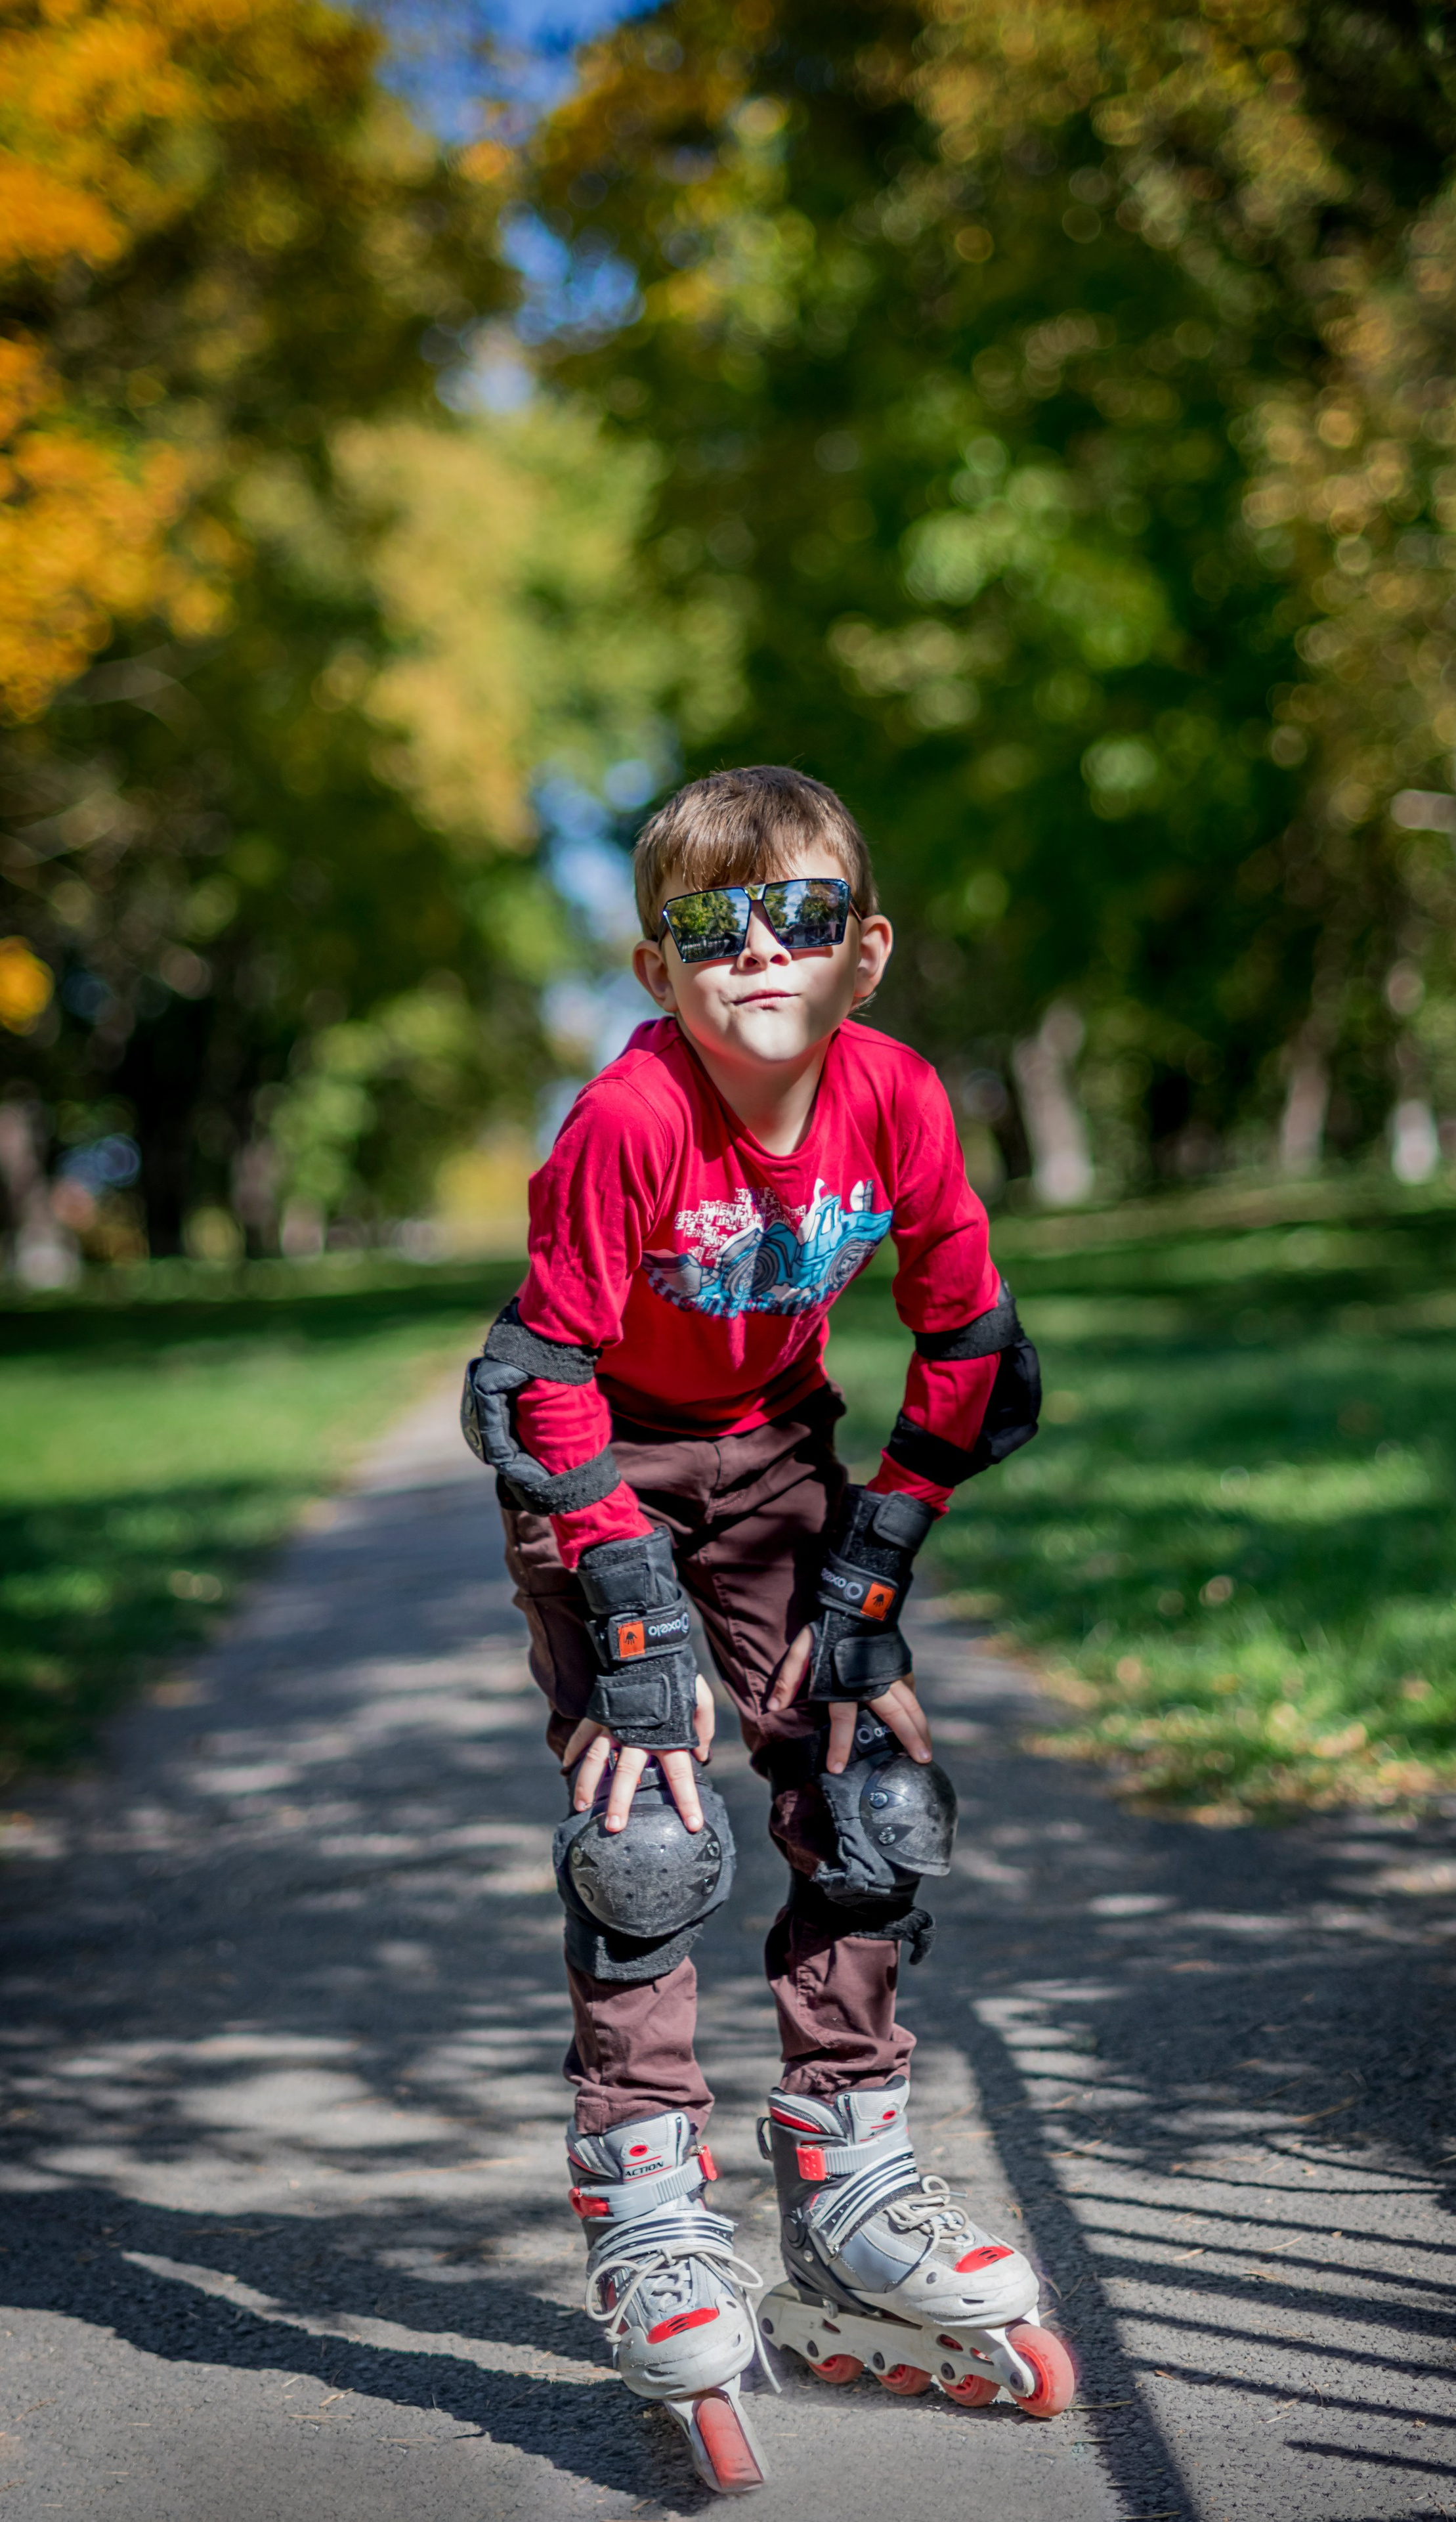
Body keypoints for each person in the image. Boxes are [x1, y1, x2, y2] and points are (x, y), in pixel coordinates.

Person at [463, 766, 1070, 2493]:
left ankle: (852, 2177)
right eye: (706, 927)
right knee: (647, 1833)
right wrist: (633, 1621)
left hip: (781, 1454)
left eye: (797, 915)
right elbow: (546, 1371)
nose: (755, 952)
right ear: (658, 969)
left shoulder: (897, 1100)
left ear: (861, 952)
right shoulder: (631, 1118)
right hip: (602, 1469)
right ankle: (652, 2203)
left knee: (873, 1794)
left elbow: (972, 1351)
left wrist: (873, 1577)